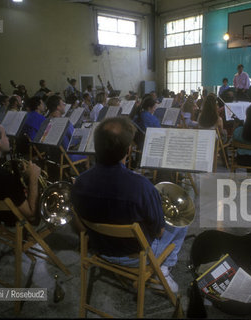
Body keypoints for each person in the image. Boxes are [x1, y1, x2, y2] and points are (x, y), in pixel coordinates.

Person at [71, 117, 187, 293]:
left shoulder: (79, 182)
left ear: (96, 147)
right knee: (183, 216)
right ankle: (163, 268)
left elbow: (78, 225)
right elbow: (159, 231)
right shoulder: (141, 186)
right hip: (135, 256)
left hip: (100, 248)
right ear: (128, 150)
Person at [46, 95, 88, 163]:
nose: (65, 106)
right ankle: (85, 171)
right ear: (58, 107)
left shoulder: (46, 121)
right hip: (67, 156)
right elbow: (75, 138)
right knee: (90, 151)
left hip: (52, 157)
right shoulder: (64, 123)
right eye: (63, 104)